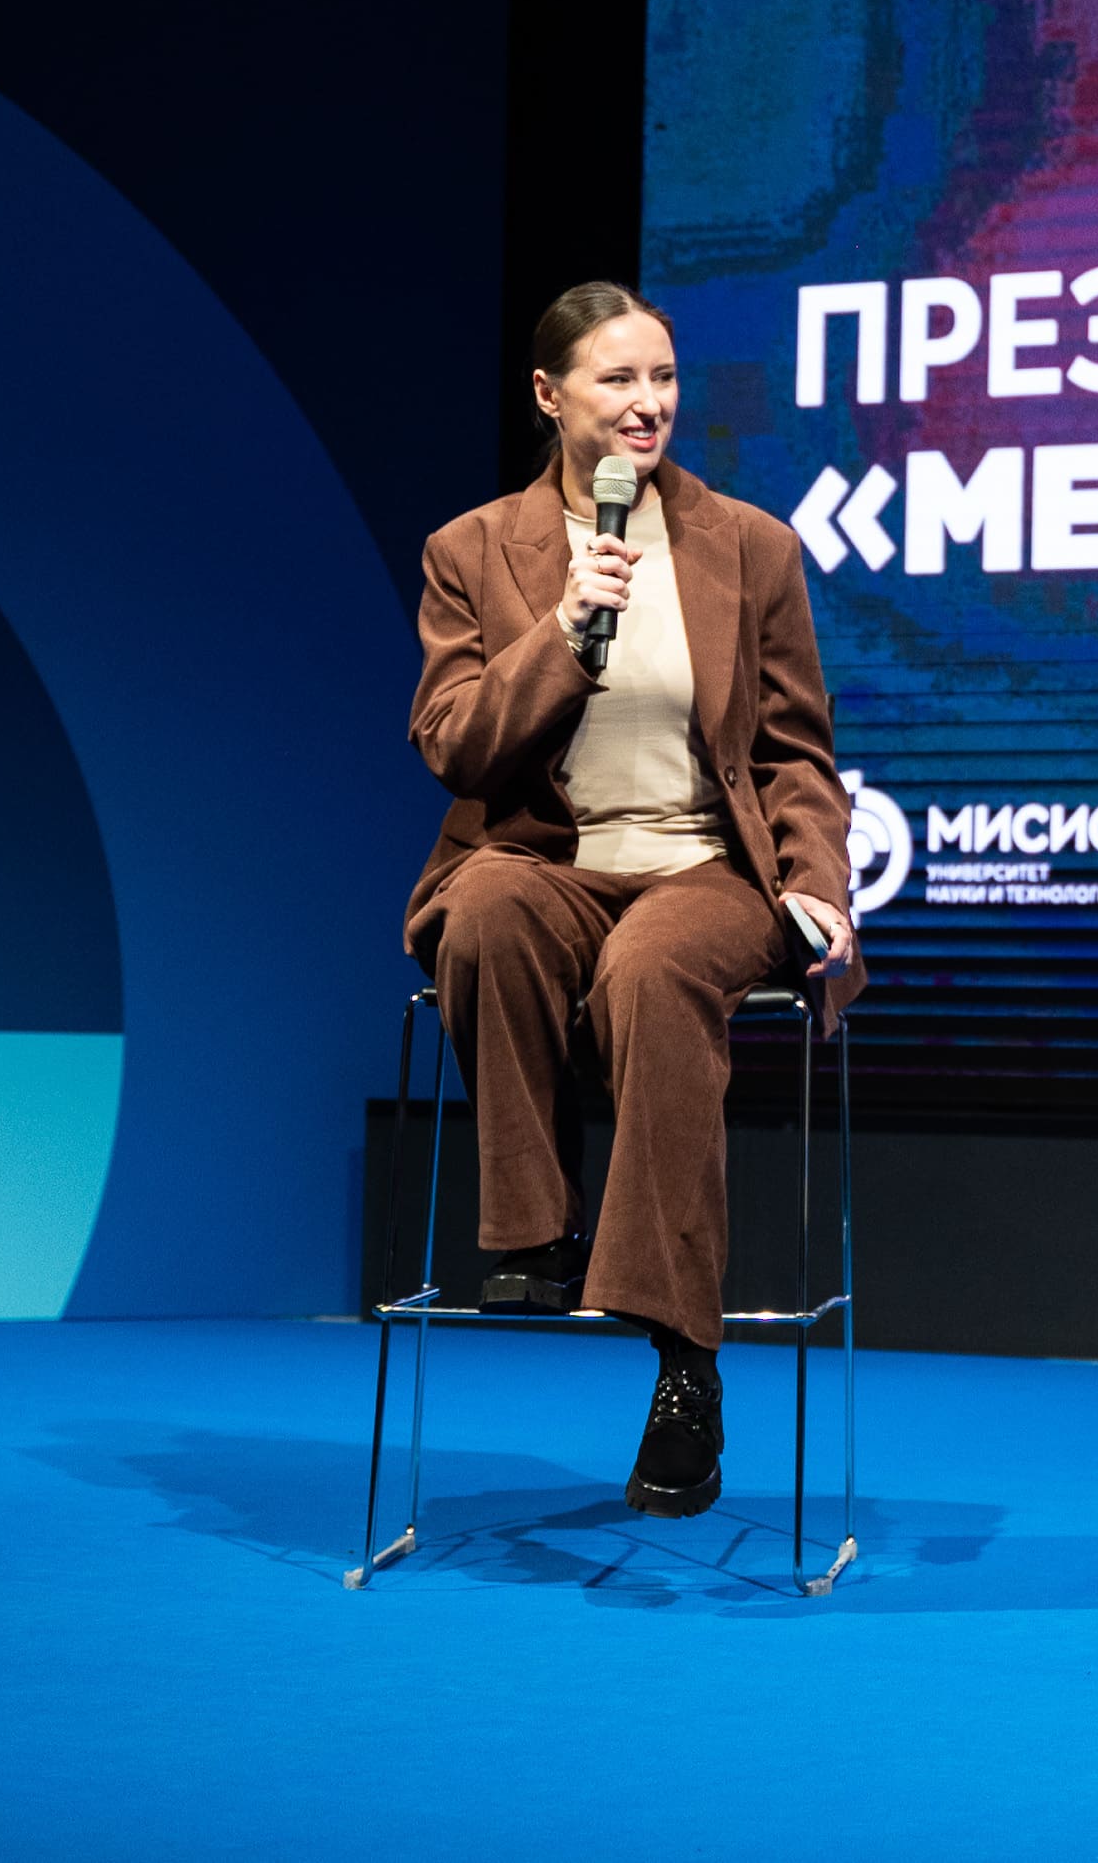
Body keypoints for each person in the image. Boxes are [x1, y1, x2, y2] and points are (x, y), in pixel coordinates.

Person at [404, 282, 864, 1517]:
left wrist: (819, 885)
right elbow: (454, 746)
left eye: (662, 377)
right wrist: (562, 631)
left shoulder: (749, 546)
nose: (648, 402)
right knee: (486, 914)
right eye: (618, 379)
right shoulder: (472, 551)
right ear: (550, 396)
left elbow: (796, 755)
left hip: (707, 867)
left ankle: (685, 1365)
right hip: (548, 859)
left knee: (653, 968)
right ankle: (532, 1233)